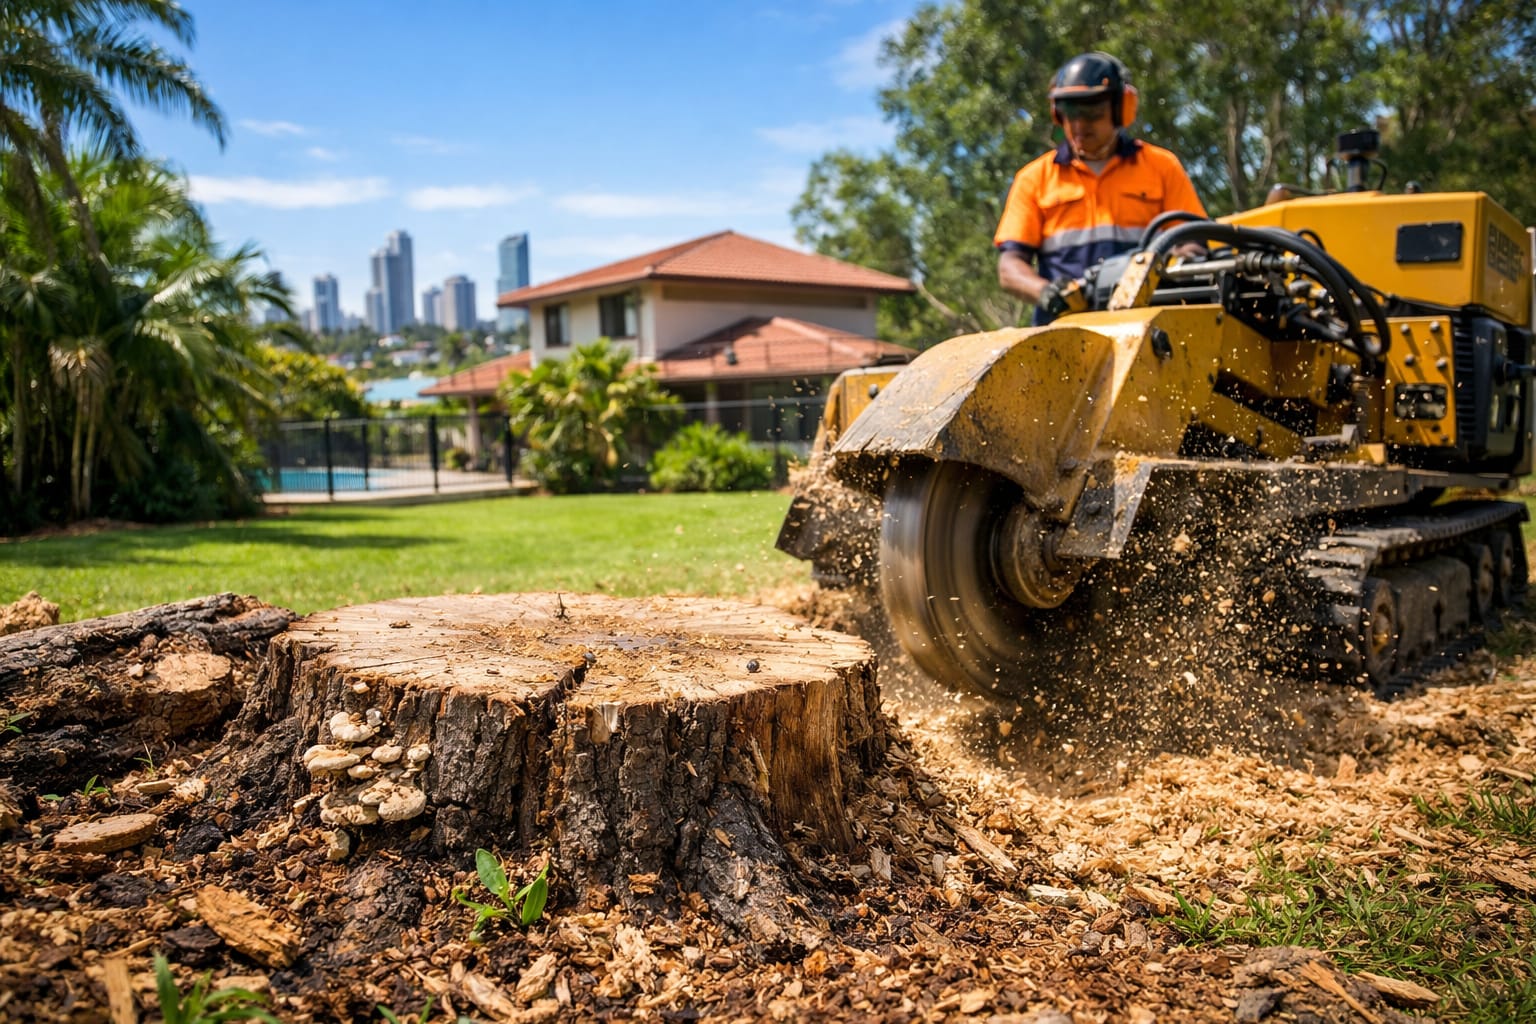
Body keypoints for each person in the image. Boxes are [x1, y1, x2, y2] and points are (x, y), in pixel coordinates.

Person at [995, 51, 1207, 323]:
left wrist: (1173, 268)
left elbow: (1193, 243)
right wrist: (1046, 292)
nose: (1079, 126)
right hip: (1064, 332)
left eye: (1092, 113)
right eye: (1070, 114)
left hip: (1146, 325)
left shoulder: (1161, 167)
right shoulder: (1034, 178)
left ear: (1121, 109)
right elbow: (1009, 267)